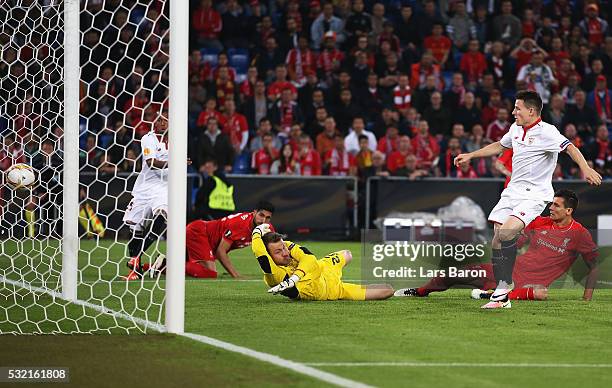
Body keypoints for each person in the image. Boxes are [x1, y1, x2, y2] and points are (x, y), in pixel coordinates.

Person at [454, 90, 601, 309]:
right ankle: (506, 285)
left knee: (507, 233)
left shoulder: (548, 132)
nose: (513, 112)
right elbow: (500, 146)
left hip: (535, 194)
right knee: (496, 238)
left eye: (517, 108)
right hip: (512, 192)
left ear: (531, 111)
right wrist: (471, 155)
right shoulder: (515, 129)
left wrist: (585, 168)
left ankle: (502, 293)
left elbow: (570, 148)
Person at [394, 190, 599, 302]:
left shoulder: (580, 234)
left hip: (531, 284)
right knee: (455, 273)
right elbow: (517, 243)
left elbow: (594, 266)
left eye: (556, 205)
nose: (551, 208)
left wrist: (587, 297)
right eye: (551, 203)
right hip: (507, 273)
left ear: (569, 210)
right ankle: (420, 291)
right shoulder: (540, 222)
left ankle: (495, 294)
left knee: (539, 293)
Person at [251, 225, 394, 300]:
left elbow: (309, 258)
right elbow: (260, 254)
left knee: (347, 254)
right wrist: (256, 233)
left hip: (325, 266)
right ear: (270, 256)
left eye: (283, 247)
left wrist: (295, 278)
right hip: (333, 290)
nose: (285, 252)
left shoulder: (286, 246)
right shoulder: (275, 276)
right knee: (387, 290)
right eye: (278, 252)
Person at [121, 114, 172, 280]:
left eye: (166, 120)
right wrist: (176, 162)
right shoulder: (148, 139)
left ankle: (136, 257)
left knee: (163, 216)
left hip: (164, 188)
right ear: (154, 122)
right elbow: (151, 163)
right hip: (144, 188)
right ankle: (135, 271)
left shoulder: (177, 140)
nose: (162, 123)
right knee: (135, 228)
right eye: (159, 120)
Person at [184, 201, 275, 279]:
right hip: (199, 232)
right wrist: (236, 275)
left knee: (205, 271)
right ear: (254, 212)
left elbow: (275, 248)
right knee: (210, 274)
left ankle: (175, 264)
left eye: (268, 218)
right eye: (261, 215)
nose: (263, 221)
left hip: (210, 243)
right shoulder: (240, 224)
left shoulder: (267, 228)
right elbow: (221, 251)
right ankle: (174, 268)